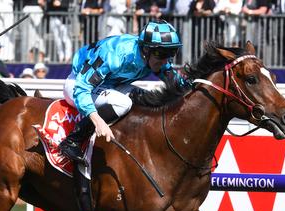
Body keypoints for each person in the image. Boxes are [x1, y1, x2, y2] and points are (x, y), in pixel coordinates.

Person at [58, 20, 188, 164]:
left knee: (148, 98)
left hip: (108, 85)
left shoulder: (154, 56)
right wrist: (98, 121)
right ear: (145, 50)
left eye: (171, 53)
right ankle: (73, 140)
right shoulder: (116, 55)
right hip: (77, 84)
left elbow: (178, 84)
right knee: (123, 103)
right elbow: (82, 89)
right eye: (161, 53)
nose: (165, 60)